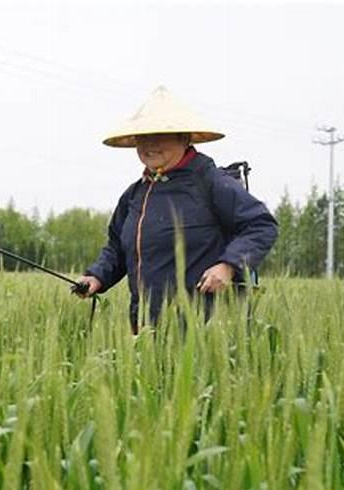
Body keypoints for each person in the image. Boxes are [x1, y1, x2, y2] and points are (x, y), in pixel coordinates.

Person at [75, 86, 278, 333]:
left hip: (208, 330)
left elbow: (261, 225)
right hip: (146, 328)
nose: (150, 144)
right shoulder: (134, 194)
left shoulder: (211, 182)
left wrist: (228, 266)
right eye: (143, 137)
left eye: (160, 135)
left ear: (184, 138)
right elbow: (117, 247)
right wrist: (96, 277)